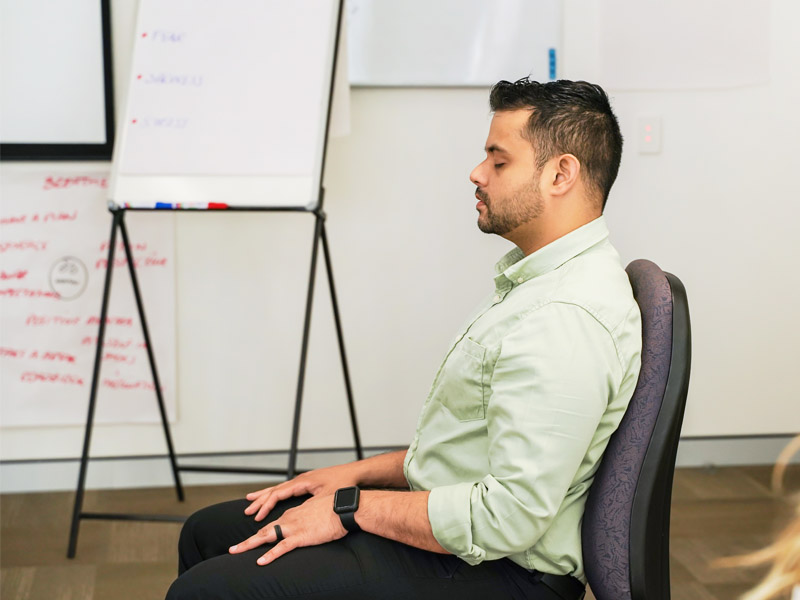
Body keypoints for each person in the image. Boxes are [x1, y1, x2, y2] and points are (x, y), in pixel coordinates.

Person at [166, 78, 642, 600]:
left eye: (498, 161)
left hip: (503, 573)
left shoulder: (565, 317)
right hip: (468, 540)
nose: (477, 174)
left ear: (560, 174)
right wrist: (352, 476)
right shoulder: (540, 285)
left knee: (207, 590)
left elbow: (508, 518)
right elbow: (467, 449)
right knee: (207, 532)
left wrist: (352, 505)